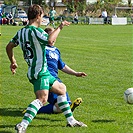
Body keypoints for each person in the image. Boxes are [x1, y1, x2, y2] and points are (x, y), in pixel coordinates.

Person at [6, 4, 87, 133]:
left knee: (62, 89)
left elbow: (9, 46)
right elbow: (50, 41)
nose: (42, 18)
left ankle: (71, 121)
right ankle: (22, 125)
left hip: (40, 70)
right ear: (38, 16)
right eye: (42, 16)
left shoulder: (21, 32)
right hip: (39, 72)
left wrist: (13, 61)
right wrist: (60, 27)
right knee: (42, 99)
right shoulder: (36, 31)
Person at [37, 27, 87, 114]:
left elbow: (62, 66)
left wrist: (76, 73)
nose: (54, 37)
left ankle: (35, 109)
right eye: (52, 35)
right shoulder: (41, 49)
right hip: (46, 78)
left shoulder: (56, 50)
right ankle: (33, 109)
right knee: (62, 105)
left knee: (61, 106)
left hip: (56, 80)